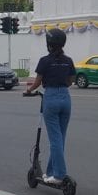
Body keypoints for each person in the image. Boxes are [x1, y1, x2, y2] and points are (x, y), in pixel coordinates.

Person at [24, 28, 76, 185]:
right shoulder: (68, 60)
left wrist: (28, 90)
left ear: (49, 44)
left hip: (51, 98)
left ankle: (59, 175)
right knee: (60, 137)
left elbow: (37, 82)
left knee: (55, 139)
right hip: (65, 98)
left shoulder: (45, 61)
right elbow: (71, 80)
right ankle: (51, 172)